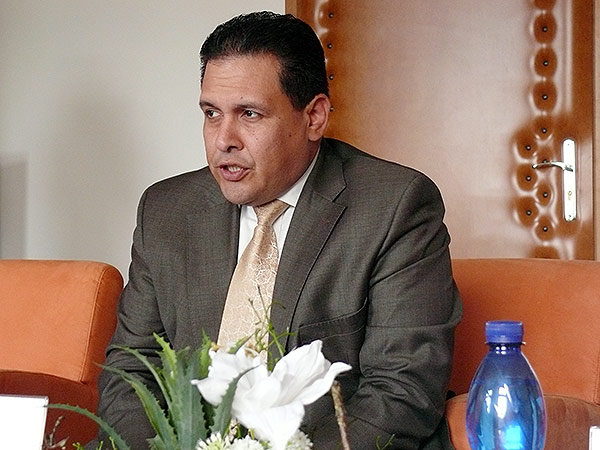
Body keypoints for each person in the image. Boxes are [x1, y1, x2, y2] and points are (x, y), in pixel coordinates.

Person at [93, 11, 461, 450]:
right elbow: (133, 372)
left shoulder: (394, 206)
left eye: (249, 114)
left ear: (314, 117)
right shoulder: (167, 210)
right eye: (212, 113)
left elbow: (401, 390)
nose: (223, 139)